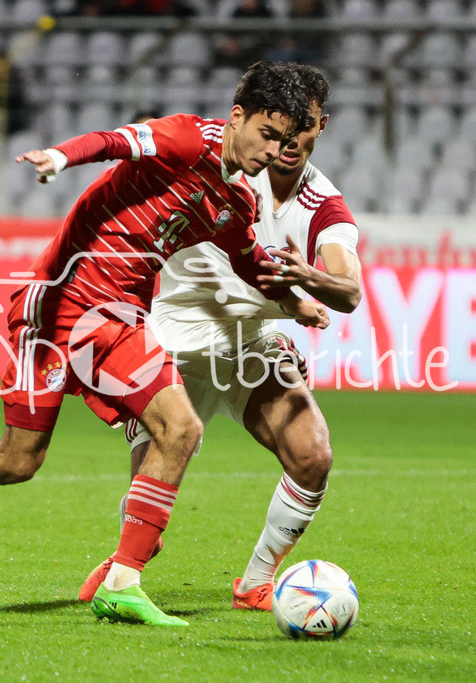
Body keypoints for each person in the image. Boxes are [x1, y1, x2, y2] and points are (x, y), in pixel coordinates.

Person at [0, 61, 328, 627]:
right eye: (265, 134)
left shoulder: (236, 202)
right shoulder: (185, 138)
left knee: (176, 429)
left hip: (117, 319)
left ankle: (123, 580)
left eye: (282, 141)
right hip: (58, 304)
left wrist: (297, 303)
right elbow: (114, 141)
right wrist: (60, 156)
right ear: (237, 117)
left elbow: (248, 259)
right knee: (18, 459)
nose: (273, 150)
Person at [76, 65, 363, 611]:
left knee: (314, 455)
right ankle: (124, 567)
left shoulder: (323, 204)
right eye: (281, 125)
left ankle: (256, 581)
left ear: (320, 126)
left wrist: (308, 280)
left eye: (304, 125)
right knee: (149, 521)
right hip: (172, 343)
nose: (289, 139)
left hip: (249, 346)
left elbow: (347, 290)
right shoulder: (229, 158)